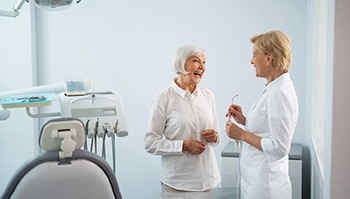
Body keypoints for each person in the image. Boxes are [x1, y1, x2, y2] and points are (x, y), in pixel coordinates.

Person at [225, 30, 299, 199]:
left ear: (269, 58)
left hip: (266, 188)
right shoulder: (274, 87)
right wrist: (244, 120)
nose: (251, 61)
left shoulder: (279, 93)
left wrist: (242, 135)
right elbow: (269, 127)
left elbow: (279, 148)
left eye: (254, 55)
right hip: (257, 182)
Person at [144, 45, 221, 194]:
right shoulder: (163, 99)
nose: (201, 67)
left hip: (208, 181)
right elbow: (150, 143)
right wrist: (183, 145)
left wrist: (215, 136)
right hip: (177, 185)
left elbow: (216, 133)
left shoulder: (208, 95)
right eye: (196, 61)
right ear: (181, 63)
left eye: (204, 62)